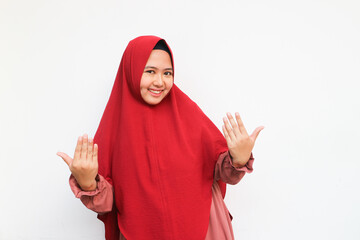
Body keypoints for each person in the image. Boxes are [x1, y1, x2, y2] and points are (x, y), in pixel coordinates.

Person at [57, 36, 264, 240]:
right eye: (149, 71)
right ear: (131, 71)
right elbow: (107, 203)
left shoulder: (188, 113)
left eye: (167, 73)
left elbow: (224, 171)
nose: (159, 81)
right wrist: (88, 184)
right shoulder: (113, 128)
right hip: (139, 232)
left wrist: (238, 159)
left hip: (204, 228)